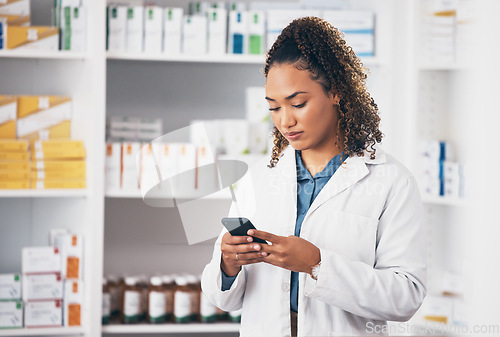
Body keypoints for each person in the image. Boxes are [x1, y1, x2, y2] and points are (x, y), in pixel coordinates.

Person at [201, 16, 426, 336]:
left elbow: (406, 297)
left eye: (298, 103)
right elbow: (221, 298)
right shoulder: (259, 178)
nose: (286, 121)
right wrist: (228, 264)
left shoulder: (391, 182)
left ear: (335, 92)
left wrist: (317, 264)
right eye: (274, 108)